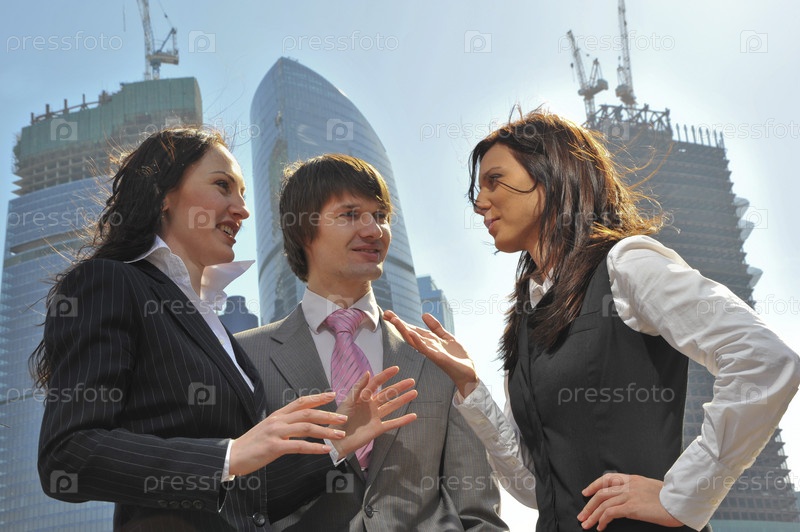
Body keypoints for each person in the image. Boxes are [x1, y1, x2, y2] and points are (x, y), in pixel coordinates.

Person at [384, 109, 800, 532]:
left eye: (495, 179)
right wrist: (470, 386)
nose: (479, 203)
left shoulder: (626, 264)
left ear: (550, 174)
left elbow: (764, 359)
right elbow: (533, 486)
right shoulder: (525, 319)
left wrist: (682, 495)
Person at [32, 128, 414, 531]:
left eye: (243, 194)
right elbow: (67, 454)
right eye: (222, 186)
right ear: (163, 194)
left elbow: (251, 500)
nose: (242, 210)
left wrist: (337, 442)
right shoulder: (111, 282)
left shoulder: (216, 330)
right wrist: (227, 456)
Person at [236, 154, 507, 531]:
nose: (374, 230)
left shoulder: (436, 356)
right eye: (350, 215)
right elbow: (235, 497)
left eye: (380, 215)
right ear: (302, 230)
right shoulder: (245, 355)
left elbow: (477, 512)